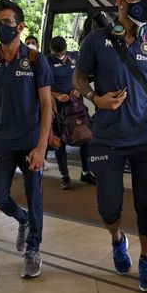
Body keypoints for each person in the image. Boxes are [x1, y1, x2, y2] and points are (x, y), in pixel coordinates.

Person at [73, 0, 147, 291]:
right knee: (109, 206)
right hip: (107, 138)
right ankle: (118, 239)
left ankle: (146, 258)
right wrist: (96, 98)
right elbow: (78, 78)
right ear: (121, 2)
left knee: (145, 204)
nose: (146, 5)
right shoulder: (97, 40)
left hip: (146, 137)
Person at [0, 0, 53, 278]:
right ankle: (22, 220)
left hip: (31, 143)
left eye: (6, 22)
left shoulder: (35, 59)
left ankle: (33, 249)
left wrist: (42, 147)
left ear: (20, 26)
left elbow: (47, 105)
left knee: (35, 198)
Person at [46, 36, 95, 189]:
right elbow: (42, 88)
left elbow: (84, 77)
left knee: (85, 137)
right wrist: (57, 95)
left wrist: (79, 89)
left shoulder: (76, 57)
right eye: (57, 54)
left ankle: (86, 171)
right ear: (52, 51)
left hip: (77, 107)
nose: (60, 56)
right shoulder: (46, 62)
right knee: (60, 143)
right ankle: (64, 176)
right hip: (59, 109)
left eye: (62, 53)